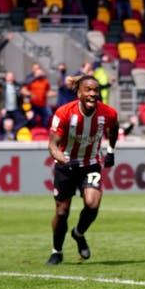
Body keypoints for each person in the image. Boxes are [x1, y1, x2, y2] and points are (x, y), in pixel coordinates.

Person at [46, 75, 119, 265]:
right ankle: (57, 251)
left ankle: (78, 233)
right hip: (66, 166)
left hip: (91, 164)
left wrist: (110, 150)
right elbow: (53, 146)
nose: (93, 94)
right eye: (88, 90)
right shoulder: (64, 113)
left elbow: (114, 127)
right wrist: (63, 160)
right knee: (62, 212)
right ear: (79, 93)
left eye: (96, 90)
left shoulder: (108, 113)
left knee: (92, 204)